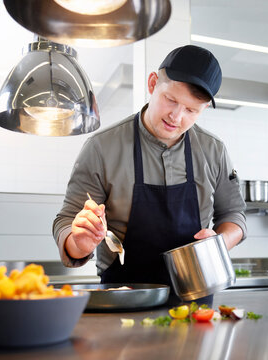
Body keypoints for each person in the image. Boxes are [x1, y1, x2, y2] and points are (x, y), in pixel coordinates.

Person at [53, 45, 247, 302]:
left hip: (194, 300)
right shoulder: (101, 148)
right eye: (171, 100)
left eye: (191, 110)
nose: (177, 117)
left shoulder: (213, 150)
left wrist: (218, 243)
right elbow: (67, 221)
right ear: (153, 83)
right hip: (123, 300)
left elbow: (234, 214)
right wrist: (79, 243)